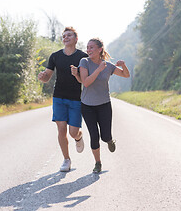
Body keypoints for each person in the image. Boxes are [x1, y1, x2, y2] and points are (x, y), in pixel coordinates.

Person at [38, 27, 88, 172]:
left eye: (69, 35)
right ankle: (66, 159)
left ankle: (78, 137)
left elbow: (85, 79)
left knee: (73, 132)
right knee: (61, 128)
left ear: (76, 39)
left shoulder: (83, 57)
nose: (66, 37)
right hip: (58, 97)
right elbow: (47, 76)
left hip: (76, 99)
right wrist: (42, 78)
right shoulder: (55, 56)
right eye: (64, 36)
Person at [78, 38, 130, 173]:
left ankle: (110, 140)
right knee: (94, 136)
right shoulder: (84, 62)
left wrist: (123, 65)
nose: (88, 50)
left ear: (100, 49)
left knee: (105, 136)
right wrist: (98, 69)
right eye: (87, 47)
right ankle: (98, 163)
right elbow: (86, 82)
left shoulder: (108, 66)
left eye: (91, 48)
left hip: (104, 105)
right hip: (87, 105)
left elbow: (126, 75)